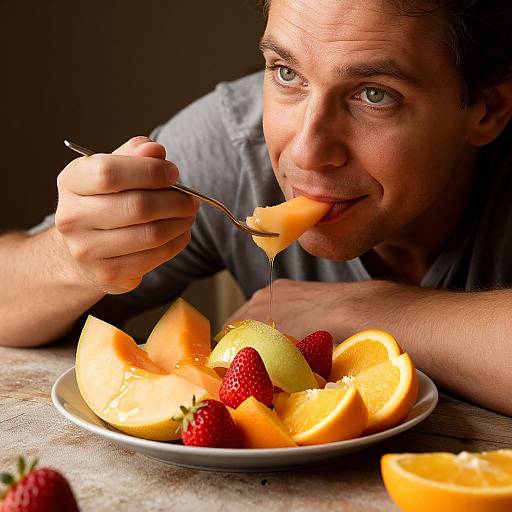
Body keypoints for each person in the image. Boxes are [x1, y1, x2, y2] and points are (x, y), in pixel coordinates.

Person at [1, 0, 511, 416]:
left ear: (488, 109)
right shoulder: (231, 144)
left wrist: (366, 310)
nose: (306, 152)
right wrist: (72, 260)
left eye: (374, 95)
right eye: (287, 73)